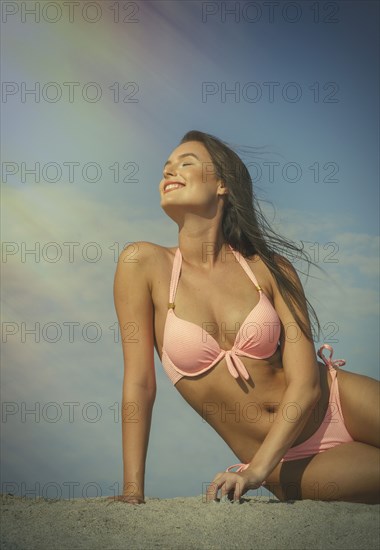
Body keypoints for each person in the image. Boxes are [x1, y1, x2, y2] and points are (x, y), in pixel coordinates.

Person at [108, 130, 379, 506]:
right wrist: (132, 490)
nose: (170, 171)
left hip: (338, 399)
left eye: (186, 162)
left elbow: (306, 384)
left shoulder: (269, 268)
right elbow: (139, 383)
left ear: (222, 184)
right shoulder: (142, 264)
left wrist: (253, 471)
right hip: (284, 462)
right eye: (166, 167)